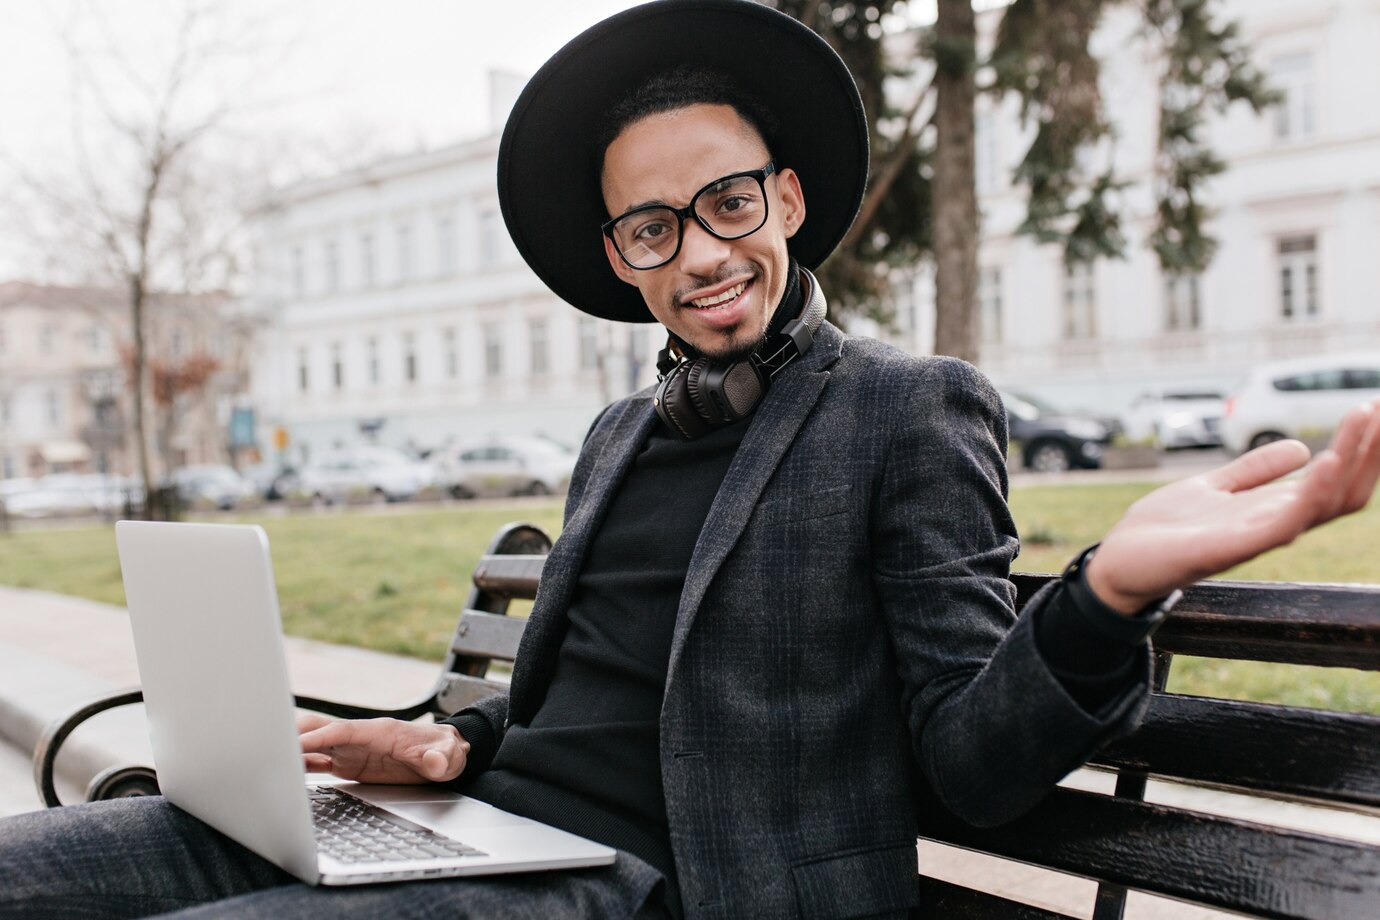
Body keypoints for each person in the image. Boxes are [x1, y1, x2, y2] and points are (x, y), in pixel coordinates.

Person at [2, 2, 1378, 918]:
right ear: (620, 260)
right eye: (654, 227)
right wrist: (447, 740)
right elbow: (583, 696)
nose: (705, 252)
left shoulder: (910, 410)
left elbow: (969, 765)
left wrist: (1105, 594)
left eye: (729, 202)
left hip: (666, 882)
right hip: (482, 827)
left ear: (785, 198)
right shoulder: (622, 429)